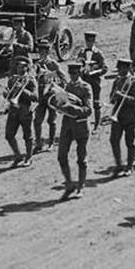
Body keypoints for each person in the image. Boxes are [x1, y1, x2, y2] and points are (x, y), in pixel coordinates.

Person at [57, 62, 94, 200]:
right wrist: (59, 106)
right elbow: (62, 105)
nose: (72, 76)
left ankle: (81, 186)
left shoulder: (86, 87)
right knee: (61, 156)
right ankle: (69, 184)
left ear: (79, 73)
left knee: (81, 159)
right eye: (70, 73)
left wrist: (72, 108)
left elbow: (88, 110)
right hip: (67, 125)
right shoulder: (67, 86)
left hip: (81, 126)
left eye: (75, 74)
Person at [107, 58, 135, 177]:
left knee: (129, 142)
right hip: (117, 114)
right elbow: (111, 98)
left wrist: (121, 96)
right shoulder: (117, 80)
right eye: (119, 68)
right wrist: (114, 97)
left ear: (127, 68)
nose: (119, 71)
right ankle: (119, 165)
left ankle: (130, 166)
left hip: (130, 116)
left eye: (122, 69)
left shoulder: (134, 81)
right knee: (113, 140)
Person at [3, 56, 37, 167]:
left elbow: (35, 97)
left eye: (22, 67)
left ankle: (29, 157)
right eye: (18, 66)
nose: (19, 69)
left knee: (27, 136)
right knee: (9, 135)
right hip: (14, 109)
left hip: (25, 110)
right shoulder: (12, 78)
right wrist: (6, 95)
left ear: (27, 68)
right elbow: (9, 94)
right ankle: (18, 155)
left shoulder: (31, 80)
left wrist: (23, 90)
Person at [32, 40, 64, 152]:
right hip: (41, 95)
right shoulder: (36, 64)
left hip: (51, 95)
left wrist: (49, 74)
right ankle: (39, 143)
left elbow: (63, 80)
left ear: (48, 51)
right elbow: (32, 79)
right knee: (37, 121)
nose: (42, 53)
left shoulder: (53, 64)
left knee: (52, 121)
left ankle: (51, 143)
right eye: (40, 51)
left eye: (44, 51)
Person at [79, 31, 108, 127]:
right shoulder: (82, 52)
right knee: (82, 103)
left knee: (96, 103)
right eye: (88, 41)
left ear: (94, 41)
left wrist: (95, 72)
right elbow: (78, 65)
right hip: (84, 81)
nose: (89, 43)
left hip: (95, 81)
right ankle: (82, 124)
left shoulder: (98, 53)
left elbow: (105, 68)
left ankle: (97, 125)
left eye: (91, 41)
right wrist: (82, 70)